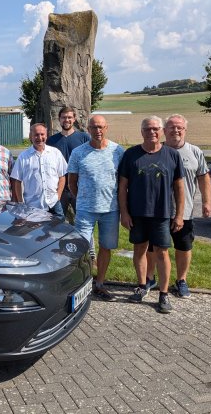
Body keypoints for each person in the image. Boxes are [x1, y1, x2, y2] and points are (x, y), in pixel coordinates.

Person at [118, 116, 185, 314]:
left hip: (161, 214)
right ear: (142, 132)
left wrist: (179, 215)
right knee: (139, 250)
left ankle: (163, 294)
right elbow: (122, 187)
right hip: (137, 214)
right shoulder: (131, 154)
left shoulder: (172, 155)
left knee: (162, 252)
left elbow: (179, 188)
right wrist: (124, 213)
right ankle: (142, 286)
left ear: (162, 131)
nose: (152, 132)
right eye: (147, 129)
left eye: (156, 129)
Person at [143, 114, 211, 298]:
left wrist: (207, 202)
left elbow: (204, 177)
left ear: (185, 130)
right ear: (164, 130)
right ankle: (150, 277)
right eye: (171, 127)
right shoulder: (156, 150)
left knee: (183, 247)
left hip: (185, 211)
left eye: (179, 127)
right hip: (158, 211)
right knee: (153, 247)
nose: (175, 130)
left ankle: (181, 280)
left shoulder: (195, 152)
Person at [66, 115, 125, 301]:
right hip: (85, 210)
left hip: (111, 210)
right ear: (88, 129)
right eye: (94, 127)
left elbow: (123, 181)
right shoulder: (78, 153)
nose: (97, 131)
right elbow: (72, 182)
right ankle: (82, 282)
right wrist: (83, 198)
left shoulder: (118, 151)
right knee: (81, 248)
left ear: (106, 128)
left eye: (101, 127)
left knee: (106, 247)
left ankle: (99, 283)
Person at [10, 123, 68, 217]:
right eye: (36, 135)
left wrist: (58, 196)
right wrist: (20, 202)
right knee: (34, 227)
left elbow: (62, 176)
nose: (39, 138)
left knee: (58, 226)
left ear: (46, 135)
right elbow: (17, 181)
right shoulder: (23, 156)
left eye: (42, 134)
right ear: (31, 136)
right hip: (32, 206)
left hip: (54, 204)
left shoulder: (55, 153)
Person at [46, 106, 90, 224]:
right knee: (55, 223)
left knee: (84, 223)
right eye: (64, 117)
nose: (67, 120)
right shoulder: (51, 141)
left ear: (74, 119)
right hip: (59, 189)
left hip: (79, 188)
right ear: (59, 119)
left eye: (69, 117)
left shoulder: (84, 138)